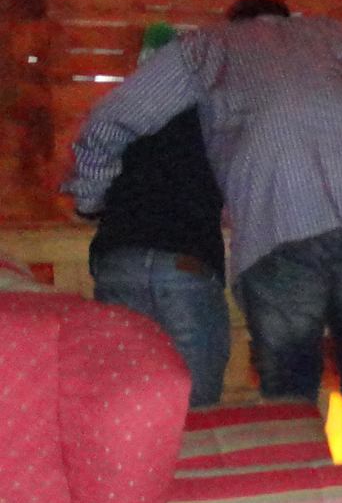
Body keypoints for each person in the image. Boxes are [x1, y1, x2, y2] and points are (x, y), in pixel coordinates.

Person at [65, 0, 342, 458]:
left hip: (281, 218)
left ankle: (300, 498)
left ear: (233, 21)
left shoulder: (208, 46)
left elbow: (113, 118)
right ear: (287, 17)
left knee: (291, 393)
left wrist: (91, 196)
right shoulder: (337, 36)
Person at [78, 22, 230, 408]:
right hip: (185, 262)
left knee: (125, 403)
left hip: (117, 259)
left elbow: (94, 182)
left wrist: (89, 205)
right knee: (195, 411)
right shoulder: (215, 118)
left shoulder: (123, 115)